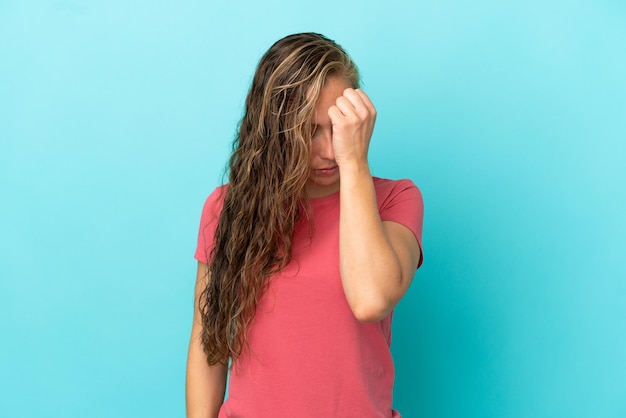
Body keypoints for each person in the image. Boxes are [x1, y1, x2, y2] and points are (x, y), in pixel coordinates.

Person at [186, 32, 424, 418]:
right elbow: (206, 344)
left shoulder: (395, 200)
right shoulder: (227, 208)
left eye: (339, 127)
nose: (330, 150)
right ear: (275, 132)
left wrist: (355, 164)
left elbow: (370, 300)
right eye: (310, 130)